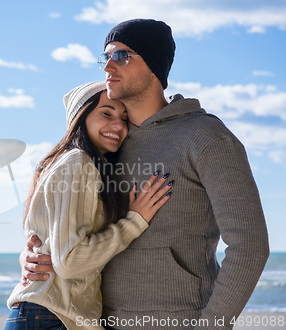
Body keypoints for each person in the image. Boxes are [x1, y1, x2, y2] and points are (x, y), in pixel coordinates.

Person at [20, 19, 269, 330]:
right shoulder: (106, 146)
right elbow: (72, 233)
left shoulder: (206, 137)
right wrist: (33, 257)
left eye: (122, 56)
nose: (108, 66)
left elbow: (250, 245)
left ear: (153, 66)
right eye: (105, 57)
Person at [4, 81, 173, 330]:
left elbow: (50, 245)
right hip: (51, 319)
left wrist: (26, 257)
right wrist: (135, 221)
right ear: (80, 118)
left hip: (47, 316)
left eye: (124, 118)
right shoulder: (78, 162)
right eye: (106, 113)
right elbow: (69, 261)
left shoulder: (74, 164)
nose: (118, 125)